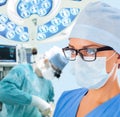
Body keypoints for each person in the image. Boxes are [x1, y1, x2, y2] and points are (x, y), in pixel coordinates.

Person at [53, 1, 120, 117]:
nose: (79, 60)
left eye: (90, 51)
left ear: (118, 56)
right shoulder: (66, 99)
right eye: (73, 50)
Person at [0, 46, 68, 117]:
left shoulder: (48, 84)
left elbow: (49, 106)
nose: (53, 73)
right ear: (45, 60)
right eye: (53, 68)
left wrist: (50, 111)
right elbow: (3, 92)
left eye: (57, 73)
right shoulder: (21, 71)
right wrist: (35, 101)